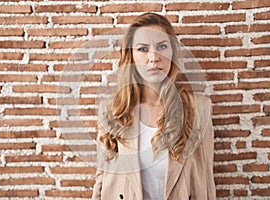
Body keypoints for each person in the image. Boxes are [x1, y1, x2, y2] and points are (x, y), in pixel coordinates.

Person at [92, 12, 216, 200]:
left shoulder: (199, 109)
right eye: (143, 49)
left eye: (162, 46)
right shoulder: (112, 110)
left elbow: (205, 179)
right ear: (131, 56)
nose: (153, 57)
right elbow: (102, 176)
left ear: (172, 52)